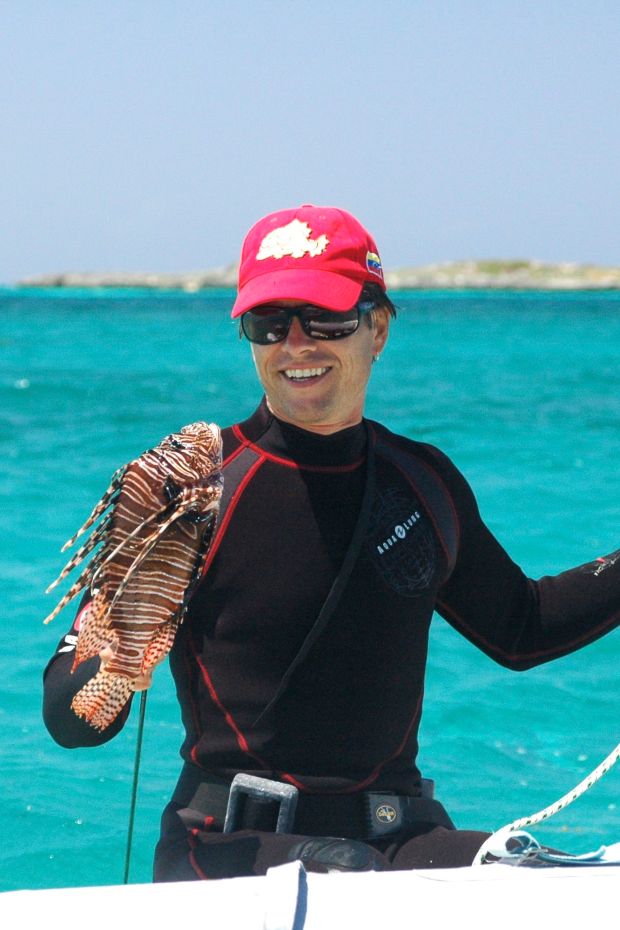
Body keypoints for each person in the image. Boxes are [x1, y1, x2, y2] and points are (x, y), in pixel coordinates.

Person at [43, 204, 620, 881]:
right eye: (268, 323)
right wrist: (113, 667)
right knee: (347, 872)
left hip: (398, 839)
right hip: (226, 851)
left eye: (326, 321)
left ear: (377, 328)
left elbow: (522, 628)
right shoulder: (188, 489)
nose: (297, 345)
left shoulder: (423, 482)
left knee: (532, 874)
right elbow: (70, 722)